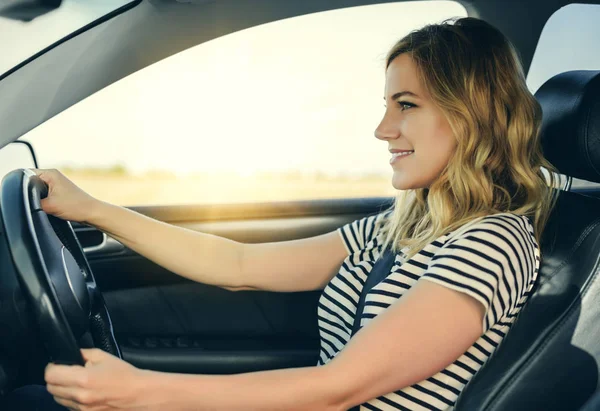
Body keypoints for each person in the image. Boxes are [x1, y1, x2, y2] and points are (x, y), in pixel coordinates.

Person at [1, 16, 558, 411]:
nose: (382, 129)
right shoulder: (399, 228)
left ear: (471, 114)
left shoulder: (492, 243)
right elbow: (238, 266)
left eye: (406, 106)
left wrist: (144, 392)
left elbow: (338, 388)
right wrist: (92, 209)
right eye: (385, 106)